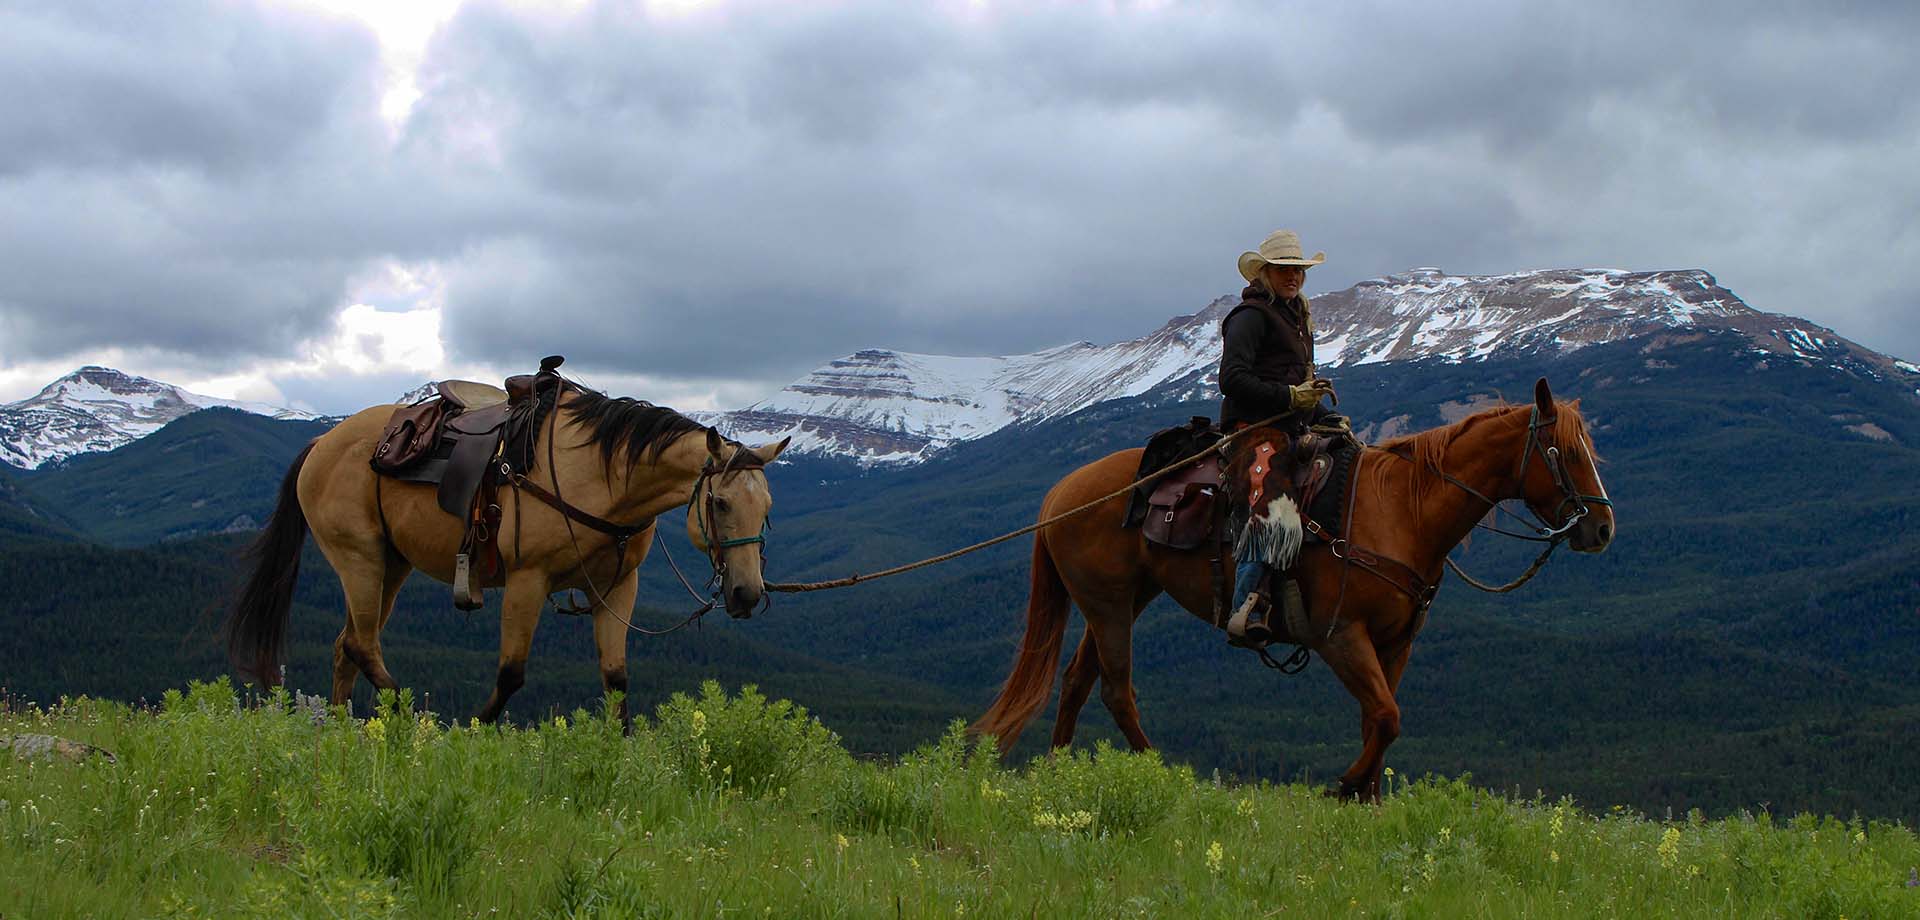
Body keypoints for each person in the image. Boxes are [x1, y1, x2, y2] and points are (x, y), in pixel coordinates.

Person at [1218, 229, 1342, 647]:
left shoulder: (1296, 316)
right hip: (1252, 431)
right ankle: (1246, 606)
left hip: (1293, 426)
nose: (1293, 276)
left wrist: (1324, 415)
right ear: (1265, 273)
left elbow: (1295, 384)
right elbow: (1231, 379)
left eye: (1299, 270)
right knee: (1275, 511)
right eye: (1284, 269)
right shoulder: (1249, 317)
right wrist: (1291, 396)